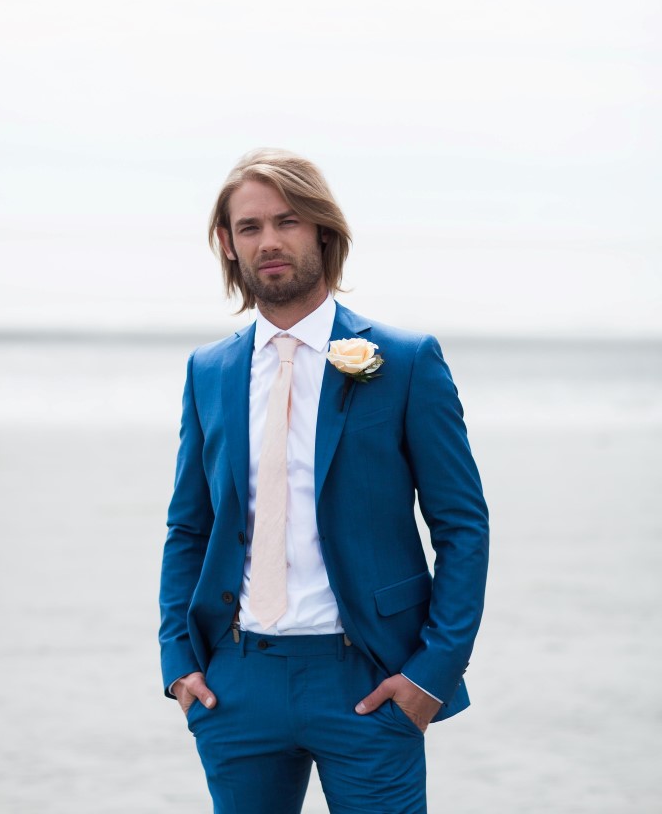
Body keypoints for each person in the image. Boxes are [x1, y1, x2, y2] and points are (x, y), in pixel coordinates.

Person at [159, 149, 489, 814]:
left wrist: (432, 674)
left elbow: (462, 526)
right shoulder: (209, 371)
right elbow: (189, 526)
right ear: (228, 244)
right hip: (236, 683)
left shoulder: (404, 361)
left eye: (287, 221)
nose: (269, 241)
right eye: (249, 227)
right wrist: (179, 666)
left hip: (367, 679)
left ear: (322, 232)